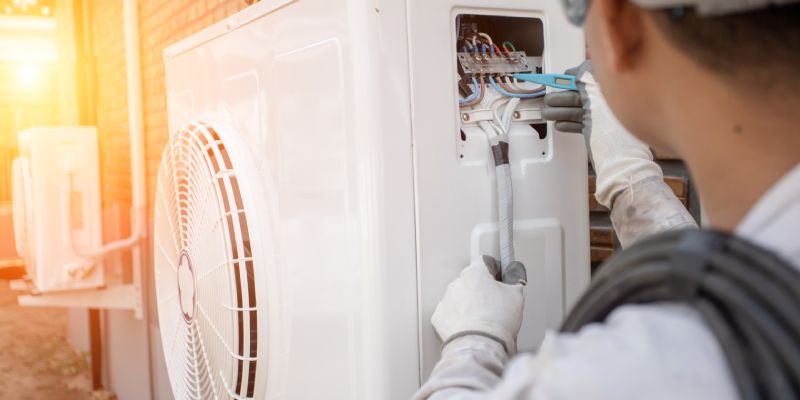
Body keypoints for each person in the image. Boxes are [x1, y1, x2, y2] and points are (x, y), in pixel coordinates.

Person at [414, 0, 800, 398]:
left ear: (619, 25)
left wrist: (474, 341)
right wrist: (630, 180)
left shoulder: (635, 369)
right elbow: (739, 281)